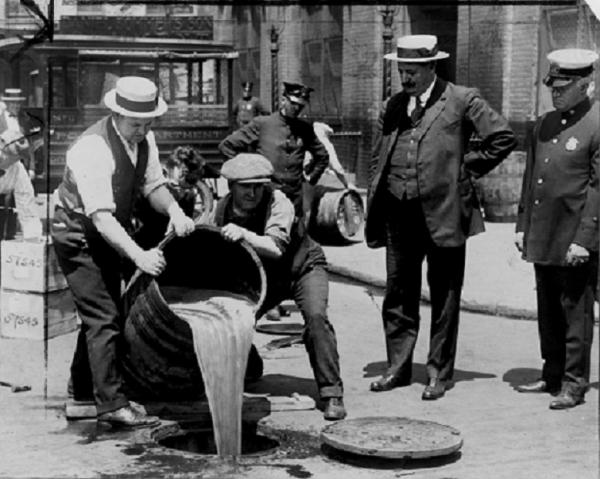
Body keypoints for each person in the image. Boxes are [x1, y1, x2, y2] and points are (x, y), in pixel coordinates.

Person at [365, 35, 517, 400]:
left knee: (445, 295)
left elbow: (502, 137)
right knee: (398, 292)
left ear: (432, 66)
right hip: (399, 212)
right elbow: (381, 152)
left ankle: (439, 372)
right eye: (402, 70)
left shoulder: (463, 99)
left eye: (413, 71)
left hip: (444, 211)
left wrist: (464, 169)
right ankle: (397, 368)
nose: (406, 78)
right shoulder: (395, 104)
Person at [51, 76, 196, 428]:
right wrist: (139, 256)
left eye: (148, 123)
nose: (141, 130)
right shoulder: (92, 149)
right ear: (116, 114)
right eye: (135, 124)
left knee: (103, 313)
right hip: (77, 233)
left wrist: (175, 210)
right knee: (104, 317)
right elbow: (101, 218)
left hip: (104, 229)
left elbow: (153, 185)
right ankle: (112, 404)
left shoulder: (144, 138)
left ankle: (83, 392)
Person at [210, 152, 347, 421]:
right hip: (267, 277)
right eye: (245, 186)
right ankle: (250, 366)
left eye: (258, 185)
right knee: (234, 316)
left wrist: (244, 233)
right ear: (231, 187)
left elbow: (275, 246)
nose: (253, 192)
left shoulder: (278, 201)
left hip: (303, 267)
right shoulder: (223, 209)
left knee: (316, 319)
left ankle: (332, 393)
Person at [514, 49, 599, 410]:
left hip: (575, 237)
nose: (556, 92)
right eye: (553, 85)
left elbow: (597, 188)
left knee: (575, 312)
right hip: (544, 232)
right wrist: (522, 226)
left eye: (564, 86)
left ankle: (574, 383)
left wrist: (585, 239)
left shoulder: (596, 124)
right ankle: (552, 374)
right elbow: (531, 178)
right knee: (548, 307)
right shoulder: (544, 124)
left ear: (586, 85)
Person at [219, 81, 330, 218]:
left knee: (295, 234)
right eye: (293, 104)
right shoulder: (263, 124)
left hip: (294, 197)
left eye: (301, 106)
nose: (297, 109)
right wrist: (245, 174)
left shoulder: (304, 129)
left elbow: (322, 156)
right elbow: (227, 146)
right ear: (283, 100)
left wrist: (310, 178)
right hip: (266, 197)